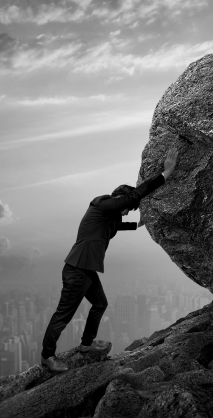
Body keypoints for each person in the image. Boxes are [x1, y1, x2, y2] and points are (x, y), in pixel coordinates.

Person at [40, 147, 179, 372]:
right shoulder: (102, 204)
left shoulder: (108, 217)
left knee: (100, 303)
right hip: (77, 269)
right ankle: (47, 356)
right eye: (127, 209)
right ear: (119, 200)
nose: (126, 213)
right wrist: (165, 174)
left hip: (86, 270)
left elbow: (117, 225)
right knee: (63, 315)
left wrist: (136, 224)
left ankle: (86, 345)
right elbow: (133, 197)